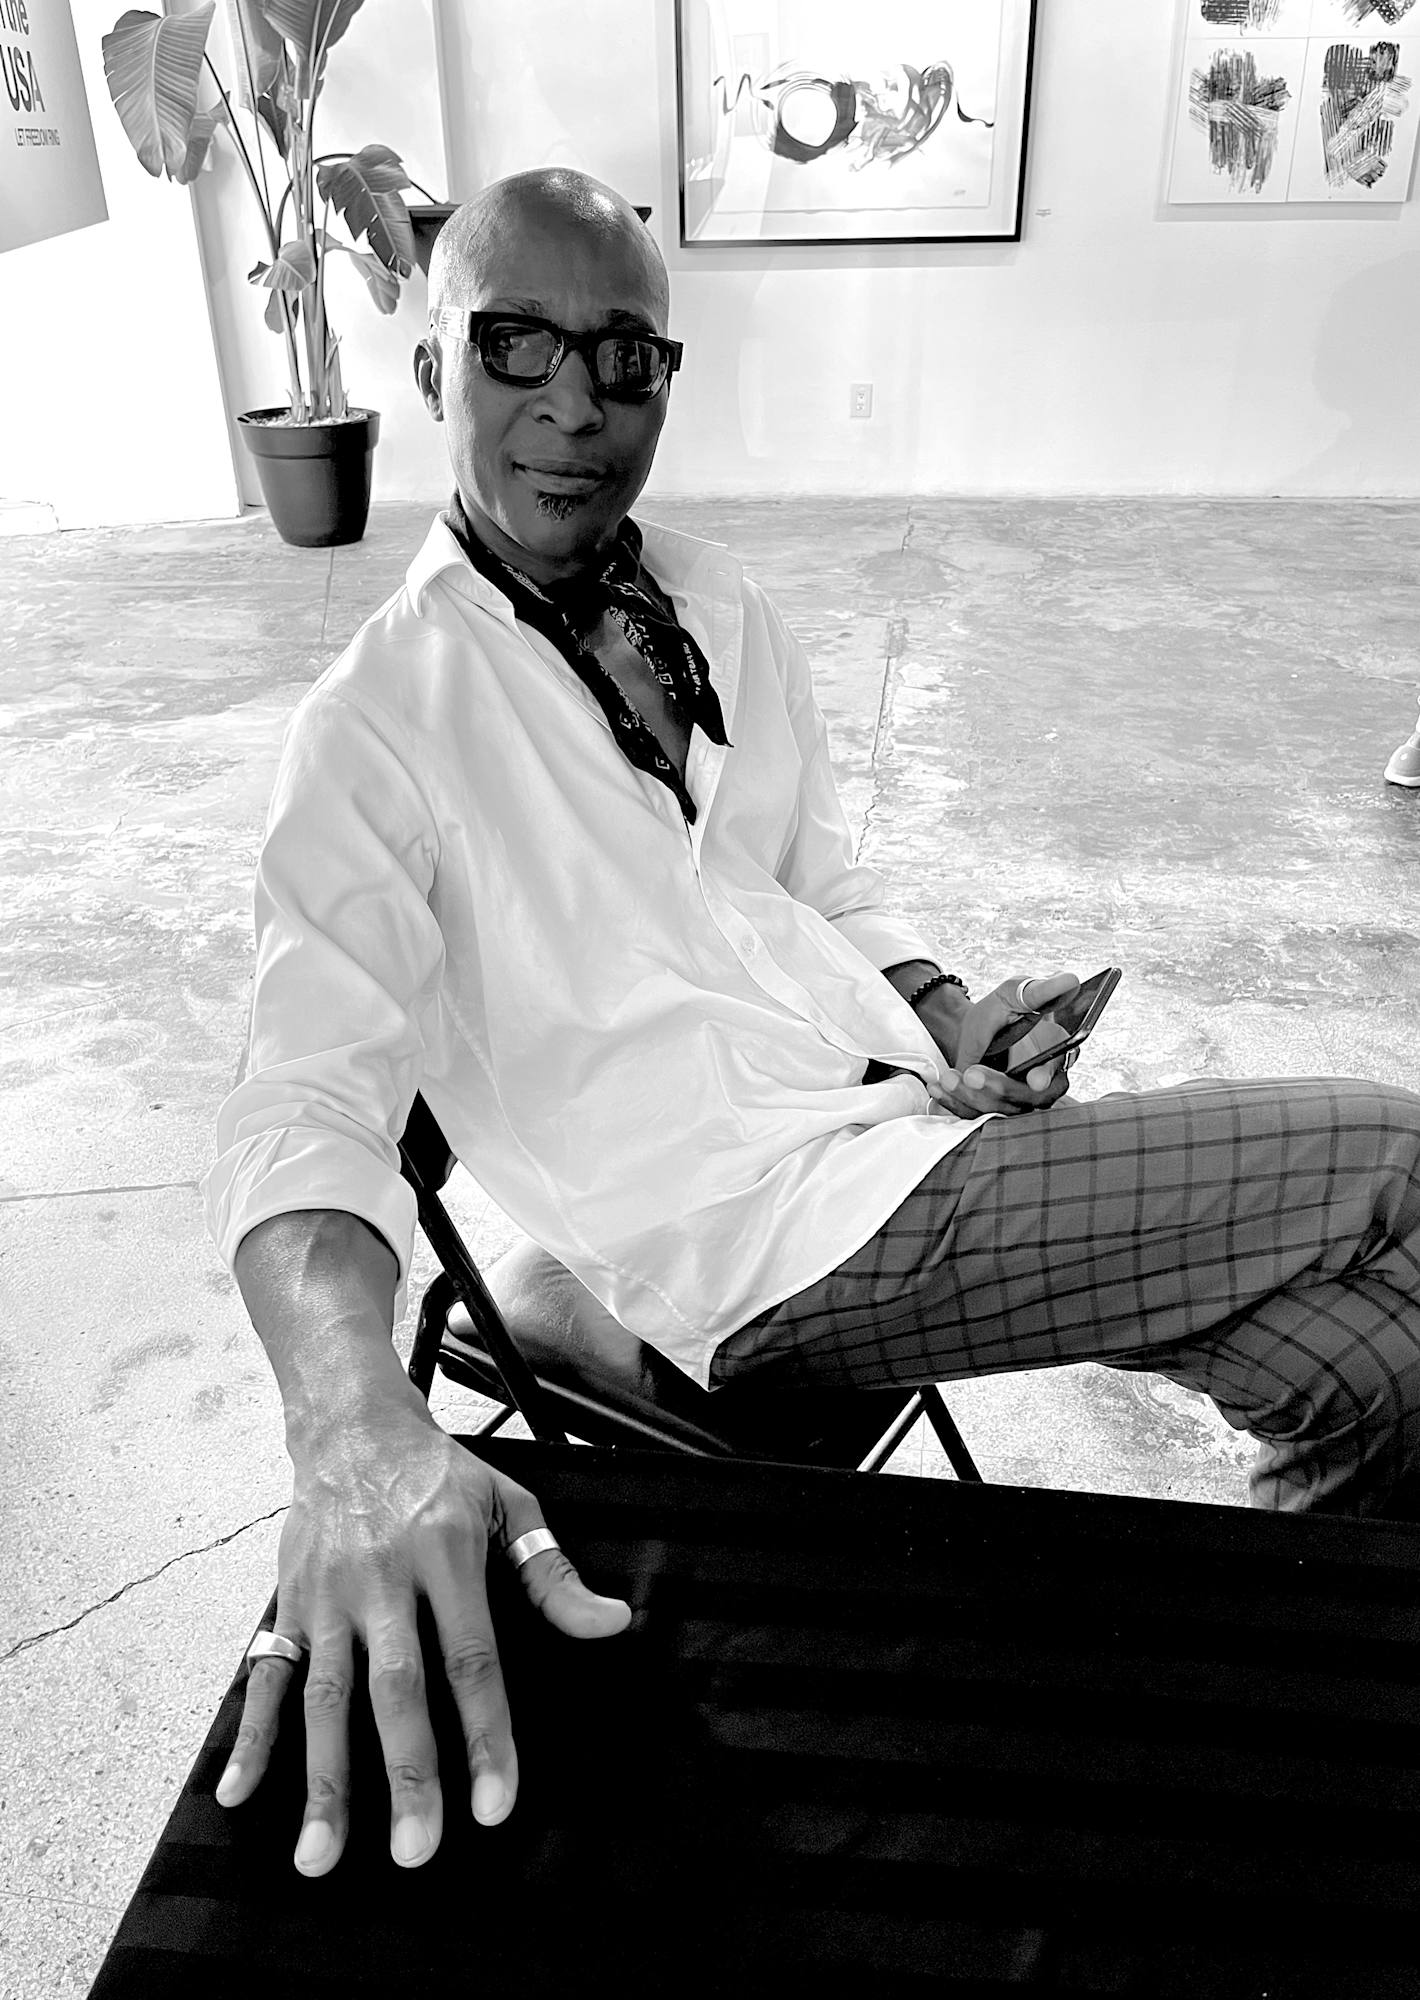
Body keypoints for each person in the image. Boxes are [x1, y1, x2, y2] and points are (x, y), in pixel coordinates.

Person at [204, 167, 1420, 1880]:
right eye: (517, 345)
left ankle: (1290, 1736)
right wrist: (344, 1418)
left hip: (891, 1131)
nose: (575, 406)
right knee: (1398, 1160)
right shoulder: (376, 725)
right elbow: (304, 1097)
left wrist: (951, 1017)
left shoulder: (709, 600)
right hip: (746, 1243)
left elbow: (817, 884)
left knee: (1378, 1372)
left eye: (626, 358)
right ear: (429, 370)